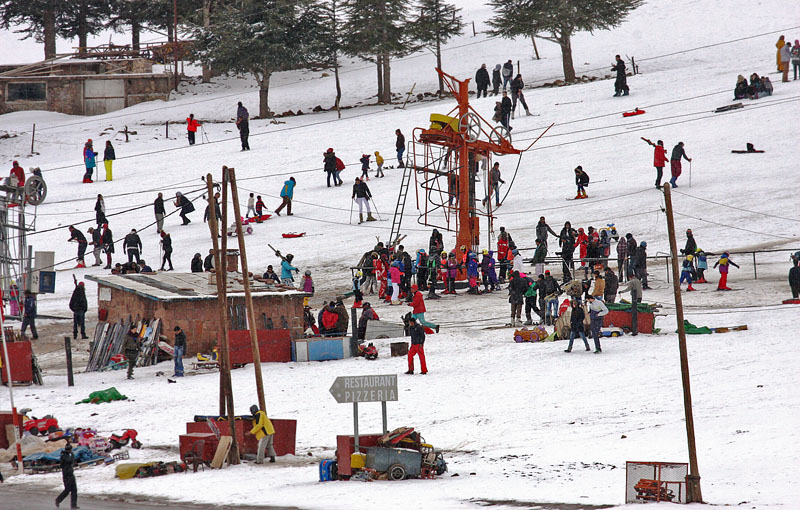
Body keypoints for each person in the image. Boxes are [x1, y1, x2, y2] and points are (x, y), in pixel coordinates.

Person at [55, 442, 78, 509]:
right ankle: (58, 500)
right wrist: (73, 456)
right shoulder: (64, 455)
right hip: (66, 476)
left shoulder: (68, 455)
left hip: (71, 474)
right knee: (67, 490)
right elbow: (69, 461)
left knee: (74, 490)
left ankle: (73, 505)